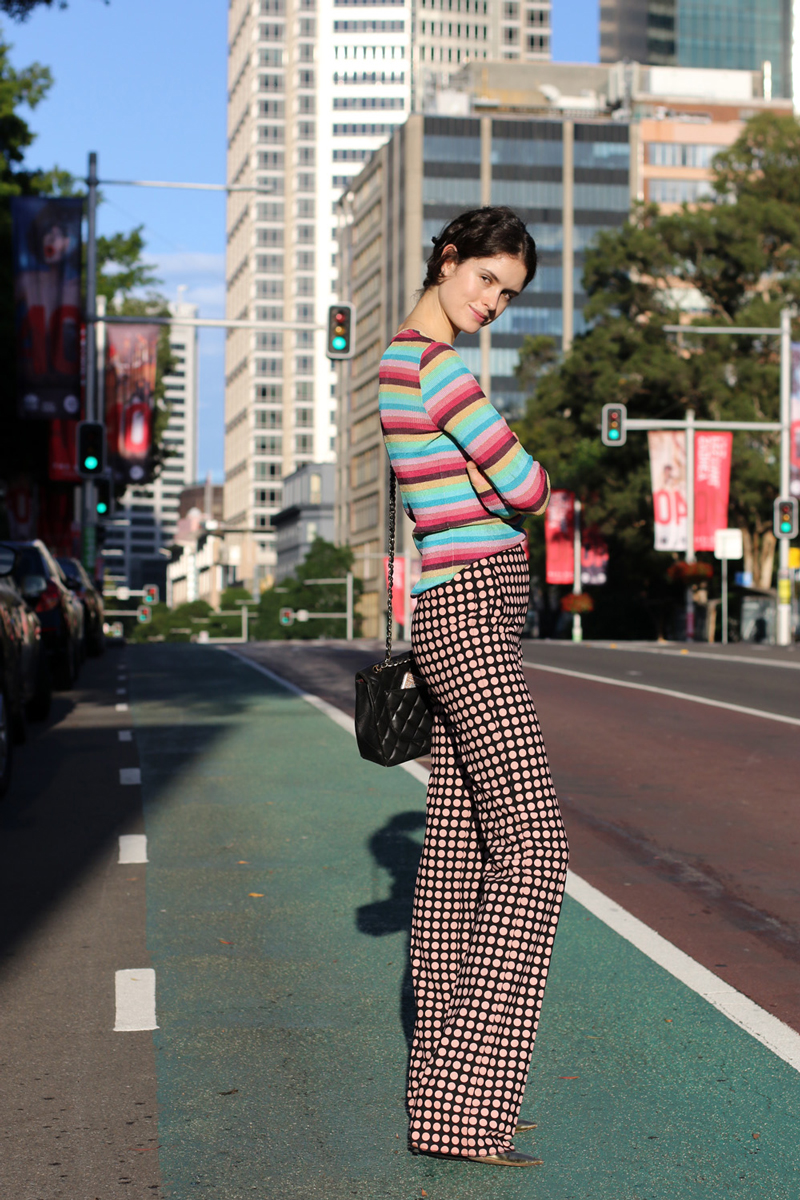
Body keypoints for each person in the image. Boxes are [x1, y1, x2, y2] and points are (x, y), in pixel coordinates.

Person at [378, 206, 569, 1168]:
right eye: (487, 281)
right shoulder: (441, 367)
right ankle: (465, 1093)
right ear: (447, 260)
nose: (495, 304)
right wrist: (512, 480)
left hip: (449, 609)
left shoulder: (395, 363)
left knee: (458, 857)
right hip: (475, 612)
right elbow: (531, 490)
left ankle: (446, 1097)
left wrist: (490, 483)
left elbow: (466, 491)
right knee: (536, 853)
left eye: (509, 295)